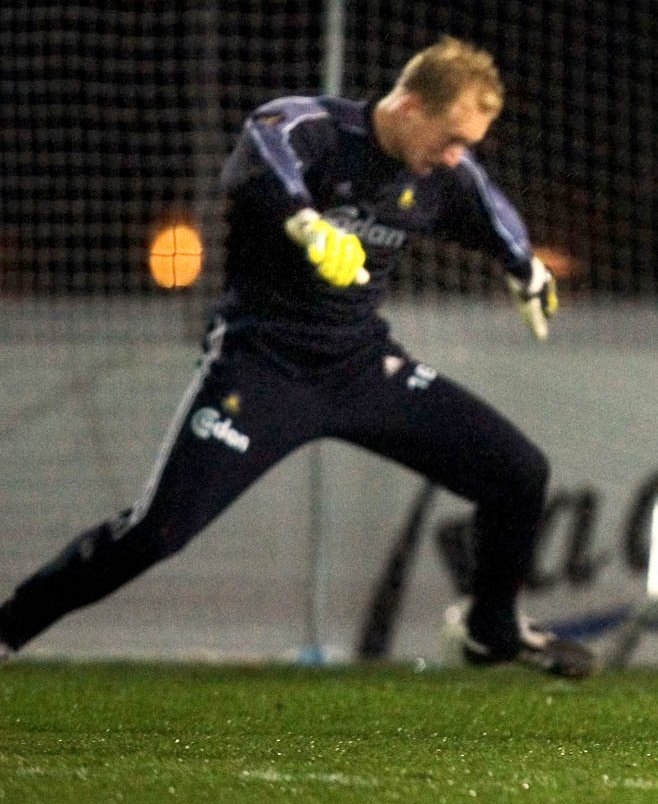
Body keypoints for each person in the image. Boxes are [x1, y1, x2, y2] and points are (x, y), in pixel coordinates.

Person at [0, 37, 595, 678]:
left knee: (518, 474)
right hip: (262, 370)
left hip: (363, 370)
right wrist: (308, 225)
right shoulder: (312, 128)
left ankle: (490, 631)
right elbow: (262, 156)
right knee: (156, 532)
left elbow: (491, 210)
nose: (455, 155)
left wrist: (524, 266)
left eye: (466, 144)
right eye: (450, 137)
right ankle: (8, 629)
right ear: (412, 104)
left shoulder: (439, 173)